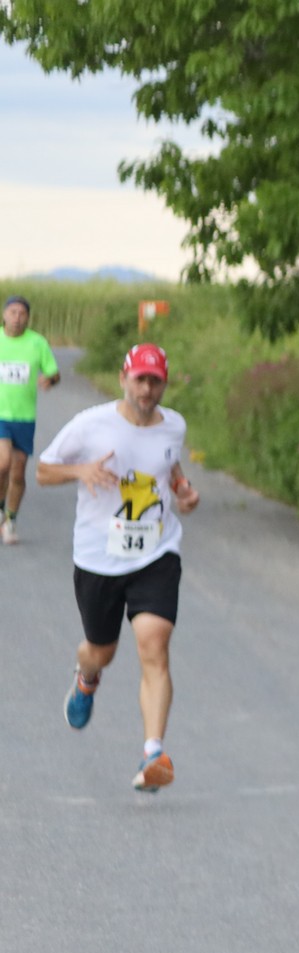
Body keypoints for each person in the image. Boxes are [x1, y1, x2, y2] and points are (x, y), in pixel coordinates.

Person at [37, 343, 199, 792]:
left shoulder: (174, 426)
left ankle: (153, 753)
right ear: (123, 379)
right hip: (98, 558)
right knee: (99, 650)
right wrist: (81, 471)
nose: (147, 389)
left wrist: (183, 489)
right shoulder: (90, 424)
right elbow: (44, 471)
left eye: (155, 381)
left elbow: (169, 465)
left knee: (154, 644)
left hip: (156, 552)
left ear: (164, 384)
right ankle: (86, 679)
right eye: (139, 379)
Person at [0, 293, 63, 545]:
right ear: (4, 315)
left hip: (25, 418)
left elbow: (54, 373)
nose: (17, 318)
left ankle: (10, 520)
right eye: (12, 312)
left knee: (17, 473)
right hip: (0, 415)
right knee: (2, 463)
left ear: (27, 318)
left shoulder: (37, 343)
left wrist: (50, 380)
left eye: (22, 314)